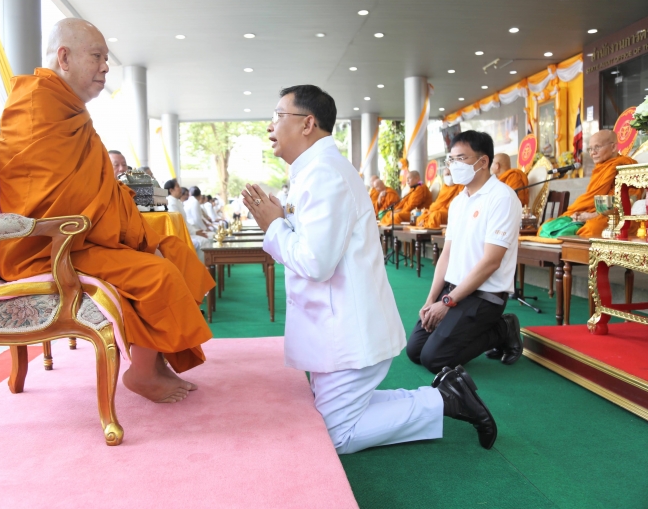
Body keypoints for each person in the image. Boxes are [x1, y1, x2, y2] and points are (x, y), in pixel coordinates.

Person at [241, 84, 497, 454]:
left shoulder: (325, 173)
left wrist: (275, 227)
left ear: (307, 124)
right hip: (334, 324)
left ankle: (444, 401)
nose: (270, 126)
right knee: (332, 413)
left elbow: (315, 262)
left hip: (347, 328)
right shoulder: (312, 170)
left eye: (278, 116)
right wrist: (280, 222)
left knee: (334, 435)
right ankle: (445, 394)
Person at [0, 18, 214, 404]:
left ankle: (156, 359)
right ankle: (141, 373)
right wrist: (129, 237)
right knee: (158, 272)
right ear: (64, 57)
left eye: (106, 58)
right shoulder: (36, 107)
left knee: (175, 250)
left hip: (79, 236)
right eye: (96, 56)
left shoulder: (68, 111)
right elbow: (60, 201)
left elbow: (92, 190)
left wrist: (136, 234)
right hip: (47, 247)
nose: (105, 67)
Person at [406, 130, 523, 373]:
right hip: (454, 290)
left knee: (434, 360)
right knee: (415, 351)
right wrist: (431, 300)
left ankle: (503, 328)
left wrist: (447, 303)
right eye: (451, 159)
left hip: (485, 296)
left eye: (461, 158)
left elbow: (491, 262)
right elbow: (446, 255)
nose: (453, 165)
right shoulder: (459, 201)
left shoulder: (502, 198)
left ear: (483, 161)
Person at [539, 130, 637, 238]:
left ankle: (571, 237)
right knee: (545, 227)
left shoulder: (625, 166)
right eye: (590, 149)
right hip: (588, 212)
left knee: (590, 230)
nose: (592, 153)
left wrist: (591, 216)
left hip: (613, 215)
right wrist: (580, 214)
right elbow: (589, 200)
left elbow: (629, 200)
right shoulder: (600, 168)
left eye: (597, 147)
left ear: (613, 147)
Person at [165, 179, 210, 262]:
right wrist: (195, 232)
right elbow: (177, 224)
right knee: (203, 242)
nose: (180, 189)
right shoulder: (170, 203)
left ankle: (204, 267)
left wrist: (196, 231)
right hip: (178, 235)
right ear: (171, 190)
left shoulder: (176, 202)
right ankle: (200, 268)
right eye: (178, 186)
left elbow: (184, 222)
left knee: (206, 239)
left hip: (186, 232)